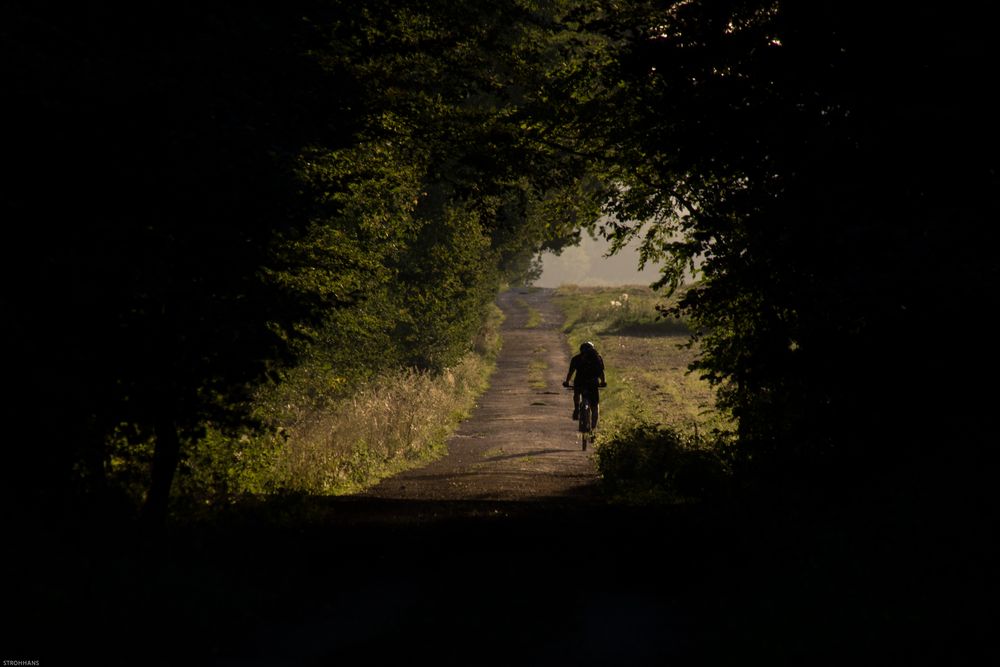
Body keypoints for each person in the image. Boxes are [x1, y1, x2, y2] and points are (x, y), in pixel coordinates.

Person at [563, 341, 607, 429]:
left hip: (579, 381)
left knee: (577, 393)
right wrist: (603, 382)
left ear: (581, 350)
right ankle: (594, 429)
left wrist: (567, 382)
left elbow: (571, 372)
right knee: (594, 407)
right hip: (593, 383)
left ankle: (576, 408)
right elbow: (601, 373)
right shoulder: (597, 358)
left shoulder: (576, 358)